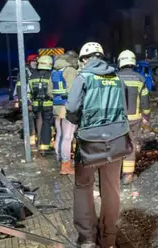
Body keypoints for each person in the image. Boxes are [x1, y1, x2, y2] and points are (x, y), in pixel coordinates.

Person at [66, 42, 129, 248]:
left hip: (89, 144)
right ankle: (108, 238)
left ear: (84, 60)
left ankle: (88, 239)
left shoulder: (83, 78)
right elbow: (124, 108)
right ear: (101, 57)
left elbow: (73, 110)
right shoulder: (117, 78)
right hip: (116, 141)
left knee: (83, 188)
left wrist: (78, 121)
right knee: (111, 190)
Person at [115, 50, 151, 185]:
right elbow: (145, 101)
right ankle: (128, 175)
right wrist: (146, 116)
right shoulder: (140, 79)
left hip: (118, 119)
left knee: (118, 144)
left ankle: (114, 173)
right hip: (134, 119)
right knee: (131, 144)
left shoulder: (115, 78)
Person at [53, 51, 79, 175]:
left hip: (56, 106)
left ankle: (59, 157)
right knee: (68, 137)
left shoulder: (55, 71)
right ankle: (65, 165)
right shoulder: (70, 71)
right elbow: (73, 90)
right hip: (67, 107)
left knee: (60, 134)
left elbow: (49, 90)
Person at [29, 55, 55, 154]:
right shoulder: (51, 75)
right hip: (48, 104)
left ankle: (39, 142)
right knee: (47, 123)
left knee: (38, 121)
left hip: (36, 104)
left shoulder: (32, 76)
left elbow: (29, 90)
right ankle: (44, 146)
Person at [15, 53, 40, 146]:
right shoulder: (24, 72)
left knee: (38, 120)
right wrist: (26, 103)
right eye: (34, 61)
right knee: (29, 122)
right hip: (28, 102)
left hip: (38, 102)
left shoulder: (37, 71)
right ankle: (31, 142)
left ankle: (38, 139)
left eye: (37, 61)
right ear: (29, 62)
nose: (36, 63)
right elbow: (20, 89)